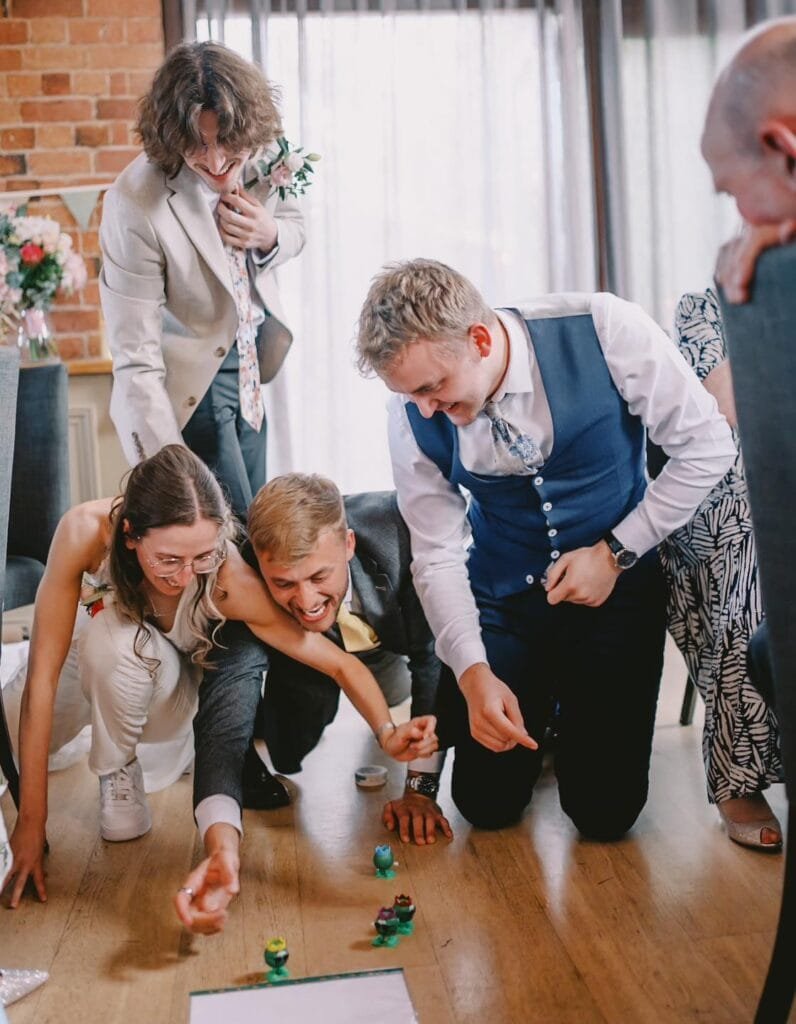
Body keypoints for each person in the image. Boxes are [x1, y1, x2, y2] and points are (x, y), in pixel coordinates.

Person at [354, 258, 736, 840]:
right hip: (504, 599)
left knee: (605, 816)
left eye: (434, 388)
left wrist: (615, 553)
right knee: (486, 805)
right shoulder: (411, 413)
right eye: (411, 395)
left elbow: (709, 446)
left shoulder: (605, 328)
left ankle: (566, 720)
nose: (426, 408)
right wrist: (474, 672)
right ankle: (547, 712)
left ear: (479, 339)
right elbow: (436, 554)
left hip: (618, 592)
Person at [1, 446, 436, 912]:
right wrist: (30, 826)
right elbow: (42, 682)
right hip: (74, 656)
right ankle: (61, 723)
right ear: (129, 535)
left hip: (149, 682)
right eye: (168, 560)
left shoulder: (229, 578)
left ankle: (117, 766)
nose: (186, 575)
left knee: (118, 644)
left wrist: (388, 732)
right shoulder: (84, 532)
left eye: (203, 556)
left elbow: (338, 663)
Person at [179, 475, 451, 935]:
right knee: (287, 751)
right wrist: (221, 845)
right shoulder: (240, 580)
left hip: (390, 646)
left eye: (318, 576)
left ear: (347, 544)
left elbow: (433, 660)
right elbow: (224, 717)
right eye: (283, 582)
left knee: (400, 692)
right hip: (301, 656)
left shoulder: (403, 535)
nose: (305, 600)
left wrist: (419, 791)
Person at [100, 41, 305, 518]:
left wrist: (268, 234)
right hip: (194, 387)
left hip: (254, 365)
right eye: (197, 145)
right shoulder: (133, 204)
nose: (214, 163)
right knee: (223, 532)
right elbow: (135, 358)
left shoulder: (266, 150)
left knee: (257, 522)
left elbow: (297, 225)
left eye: (225, 145)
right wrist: (165, 470)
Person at [659, 289, 782, 849]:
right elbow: (726, 408)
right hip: (725, 494)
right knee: (750, 549)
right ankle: (740, 778)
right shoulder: (706, 308)